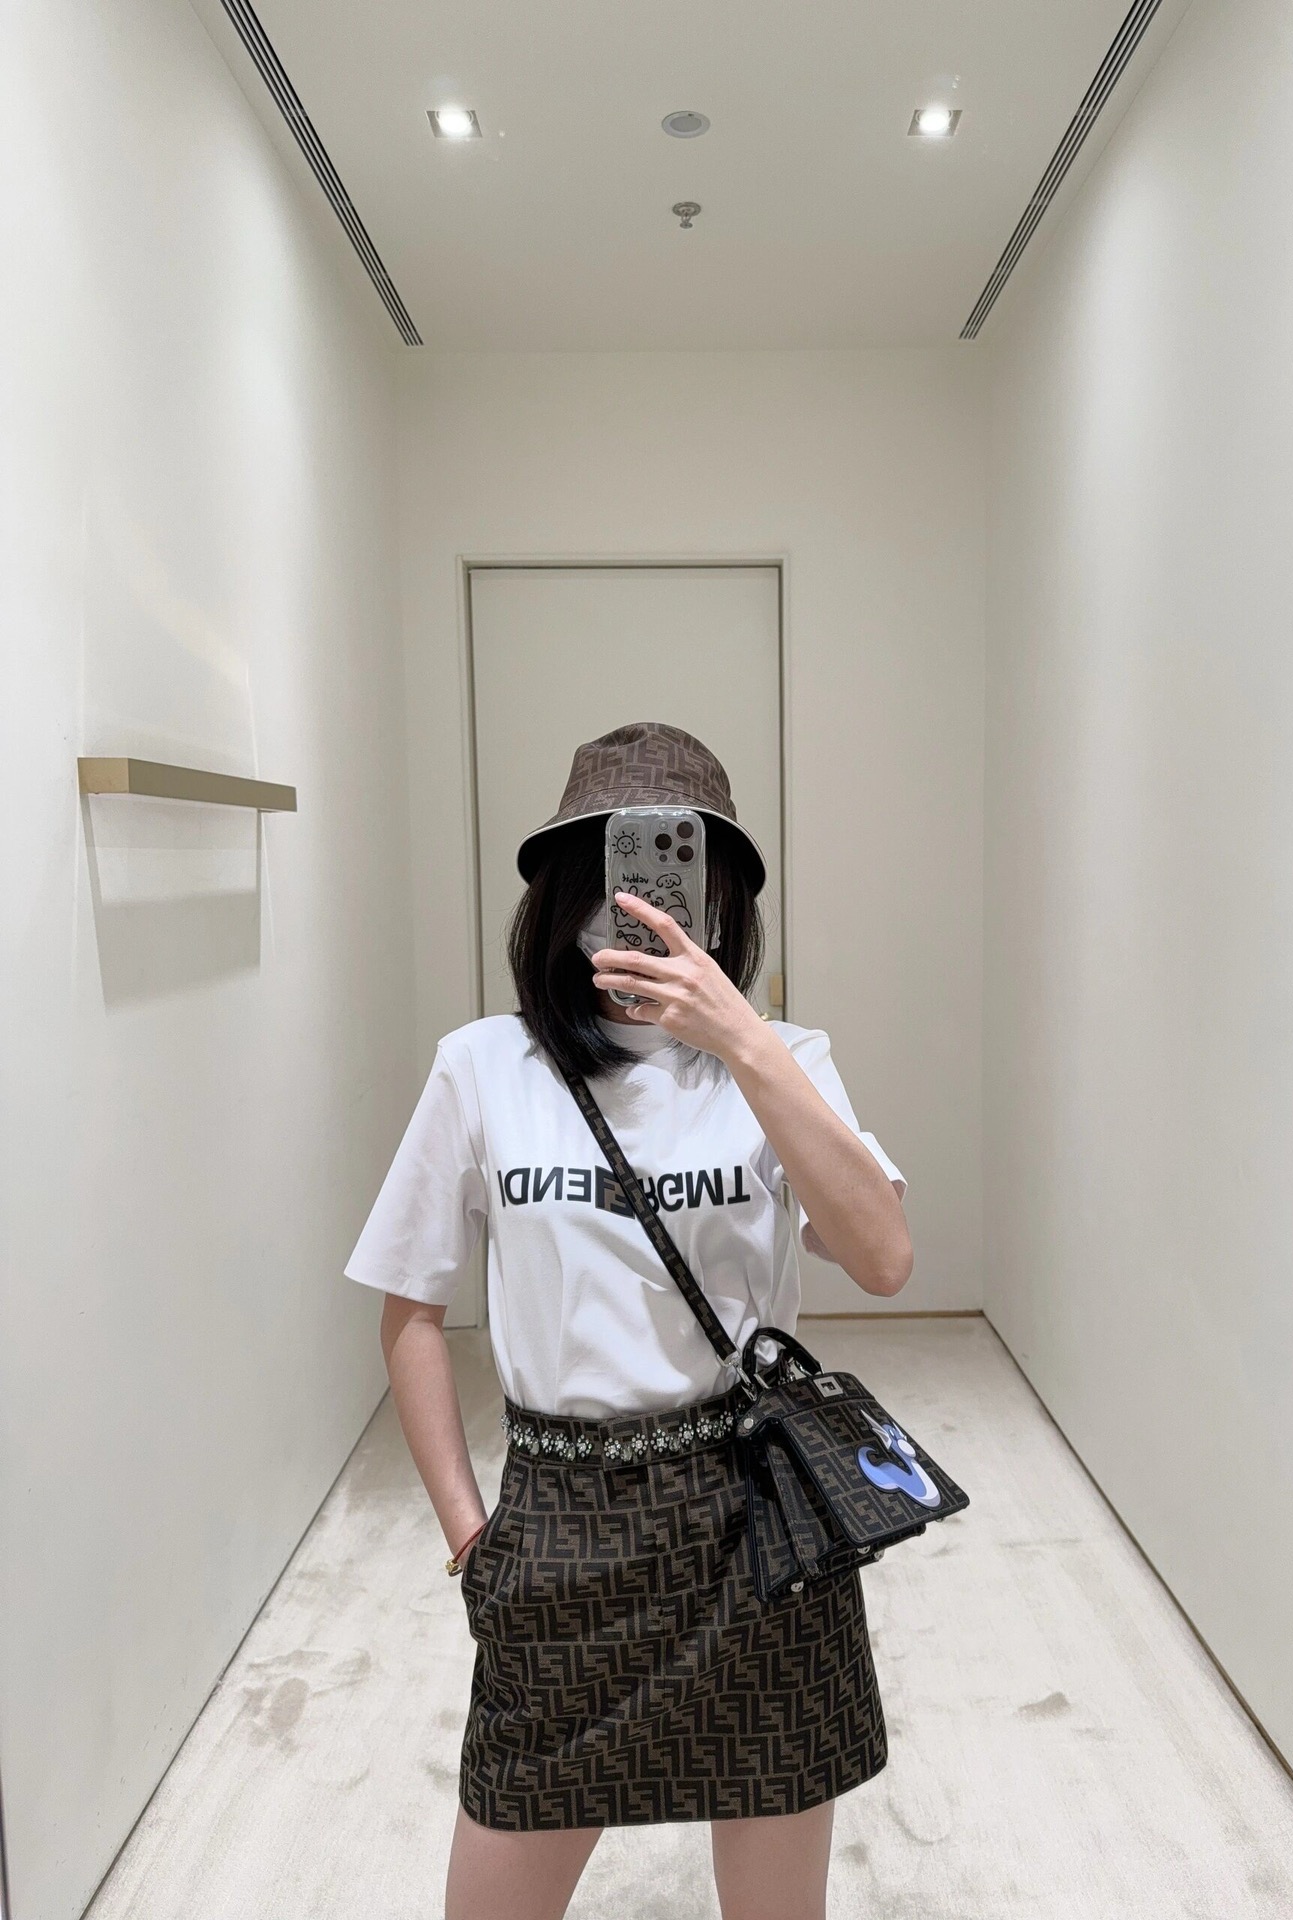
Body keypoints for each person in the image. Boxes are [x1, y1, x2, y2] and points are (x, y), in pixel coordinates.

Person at [345, 721, 913, 1920]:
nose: (643, 899)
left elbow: (883, 1257)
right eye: (614, 865)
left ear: (722, 897)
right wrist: (468, 1536)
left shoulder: (784, 1061)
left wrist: (740, 1037)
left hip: (755, 1524)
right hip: (563, 1525)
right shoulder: (483, 1066)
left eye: (678, 868)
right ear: (566, 890)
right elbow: (410, 1308)